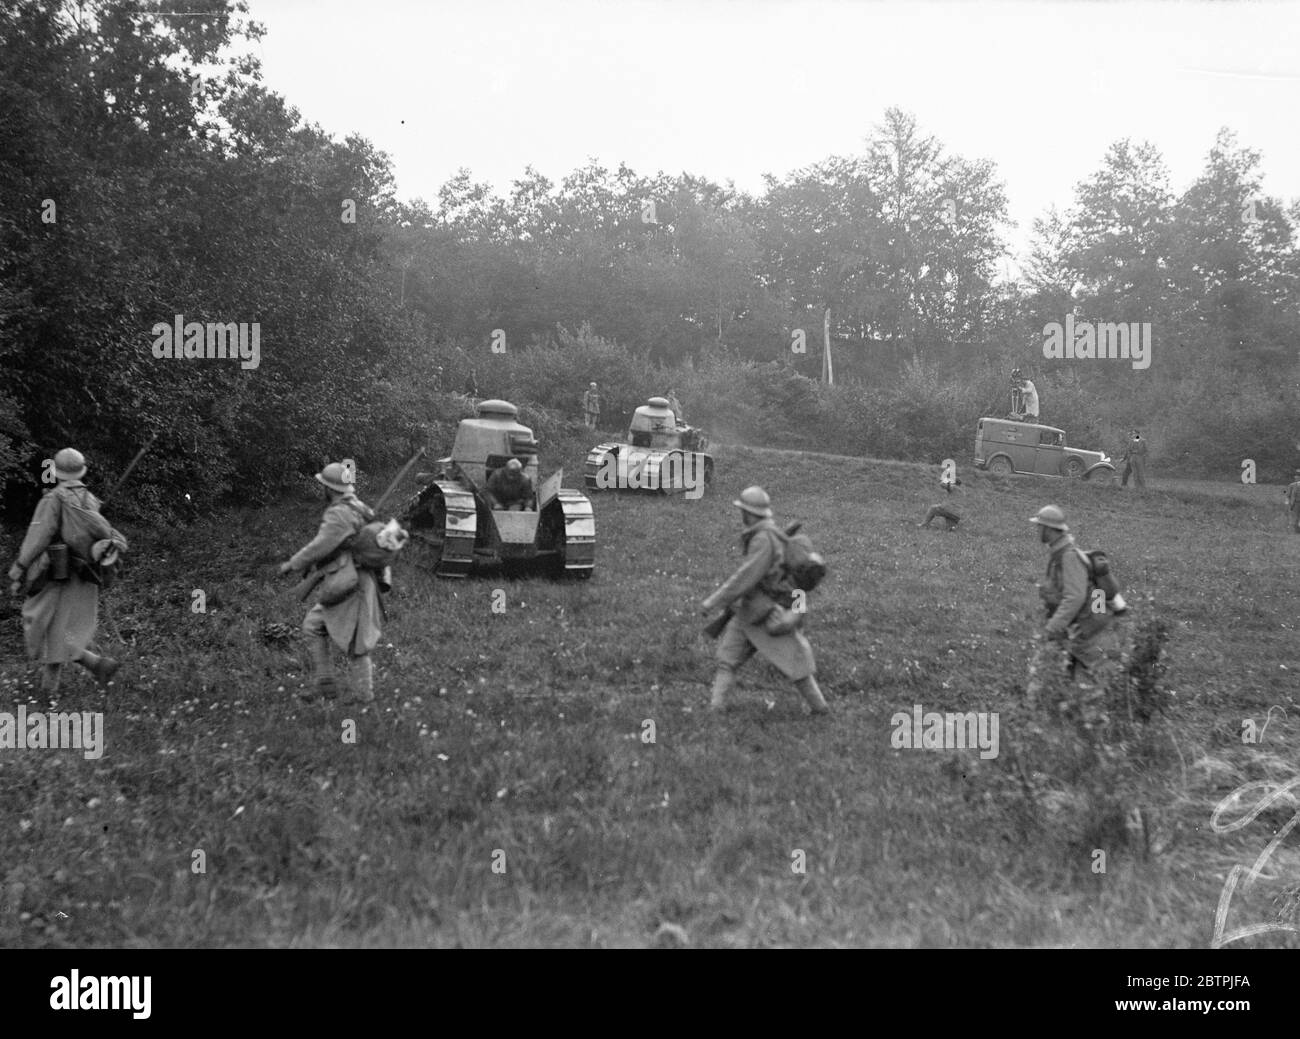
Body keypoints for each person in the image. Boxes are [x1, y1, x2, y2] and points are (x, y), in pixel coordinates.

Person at [700, 486, 829, 716]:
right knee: (727, 658)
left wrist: (714, 601)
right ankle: (715, 708)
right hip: (749, 611)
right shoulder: (770, 533)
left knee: (796, 664)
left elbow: (747, 576)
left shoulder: (762, 538)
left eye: (743, 511)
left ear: (749, 513)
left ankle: (820, 708)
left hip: (767, 612)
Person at [6, 448, 127, 694]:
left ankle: (48, 695)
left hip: (55, 575)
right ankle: (97, 665)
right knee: (62, 629)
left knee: (48, 626)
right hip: (85, 574)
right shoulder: (90, 500)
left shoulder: (53, 499)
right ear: (81, 470)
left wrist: (19, 569)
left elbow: (38, 538)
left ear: (57, 471)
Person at [279, 462, 390, 703]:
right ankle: (325, 683)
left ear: (329, 489)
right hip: (352, 580)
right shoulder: (359, 507)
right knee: (313, 625)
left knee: (357, 642)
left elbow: (321, 545)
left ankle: (363, 696)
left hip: (350, 583)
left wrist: (292, 564)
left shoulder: (339, 512)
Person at [1025, 504, 1115, 704]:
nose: (1037, 530)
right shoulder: (1060, 553)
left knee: (1049, 666)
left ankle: (1032, 709)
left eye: (1039, 526)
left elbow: (1074, 597)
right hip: (1077, 625)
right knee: (1075, 676)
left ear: (1048, 529)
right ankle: (1059, 710)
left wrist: (1053, 626)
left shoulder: (1068, 556)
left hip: (1081, 626)